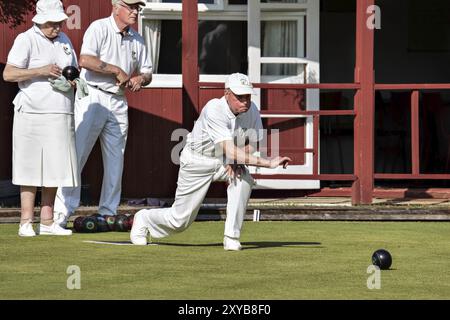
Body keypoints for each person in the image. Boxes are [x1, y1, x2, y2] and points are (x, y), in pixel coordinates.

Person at [130, 73, 292, 250]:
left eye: (247, 96)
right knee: (180, 221)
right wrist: (268, 163)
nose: (245, 101)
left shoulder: (251, 110)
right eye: (240, 97)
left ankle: (231, 237)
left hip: (223, 159)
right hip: (197, 160)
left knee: (243, 176)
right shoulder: (214, 108)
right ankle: (144, 218)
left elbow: (253, 144)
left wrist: (234, 158)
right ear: (227, 93)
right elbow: (230, 149)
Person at [53, 0, 153, 227]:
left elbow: (147, 72)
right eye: (131, 7)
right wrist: (116, 70)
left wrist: (140, 79)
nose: (136, 11)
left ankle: (107, 212)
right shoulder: (99, 28)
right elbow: (85, 60)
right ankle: (61, 213)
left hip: (118, 100)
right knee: (77, 155)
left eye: (138, 7)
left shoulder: (137, 38)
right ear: (116, 7)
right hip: (93, 97)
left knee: (116, 159)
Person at [2, 0, 78, 236]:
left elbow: (73, 70)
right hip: (32, 112)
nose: (57, 27)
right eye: (52, 23)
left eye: (59, 22)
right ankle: (26, 222)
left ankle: (46, 222)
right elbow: (9, 74)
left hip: (60, 111)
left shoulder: (65, 41)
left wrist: (74, 82)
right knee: (31, 166)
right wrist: (40, 70)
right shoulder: (26, 39)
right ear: (40, 20)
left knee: (54, 167)